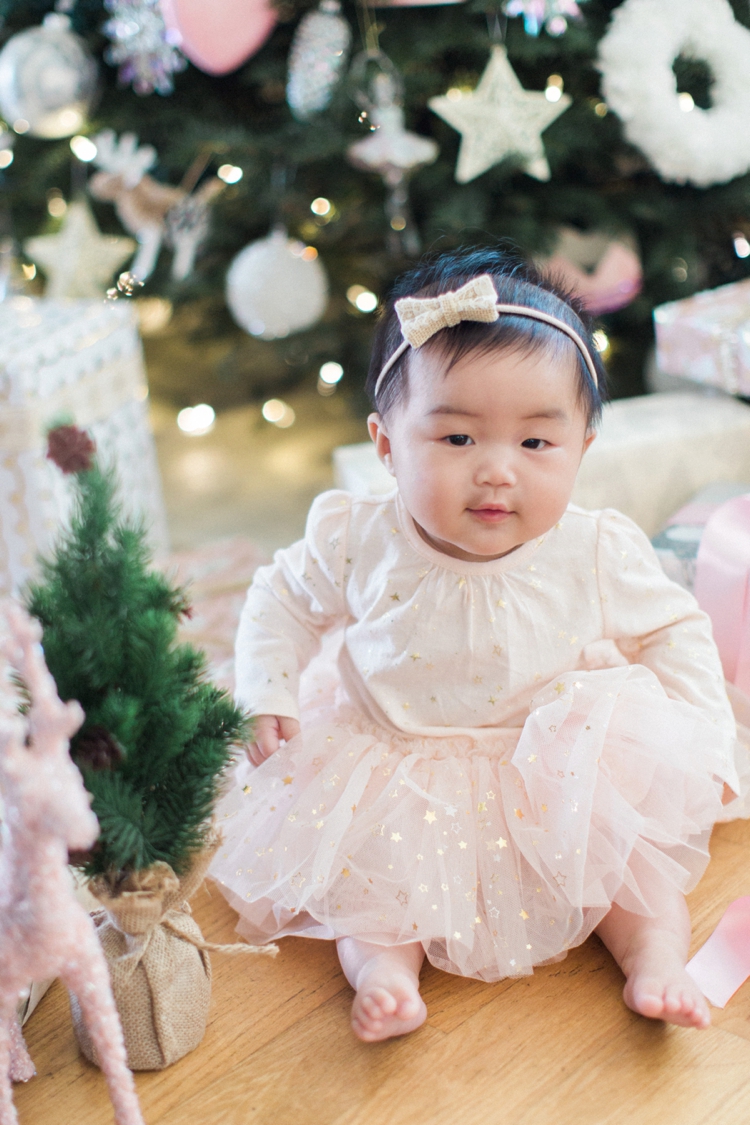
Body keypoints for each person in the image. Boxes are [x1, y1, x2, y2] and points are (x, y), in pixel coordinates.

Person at [210, 249, 746, 1042]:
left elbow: (674, 628)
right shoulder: (358, 535)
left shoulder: (593, 549)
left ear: (582, 448)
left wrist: (705, 731)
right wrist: (268, 690)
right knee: (374, 884)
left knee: (629, 871)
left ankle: (656, 960)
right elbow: (281, 600)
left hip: (555, 762)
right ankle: (385, 974)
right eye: (457, 438)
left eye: (536, 444)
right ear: (387, 444)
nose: (497, 471)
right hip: (393, 756)